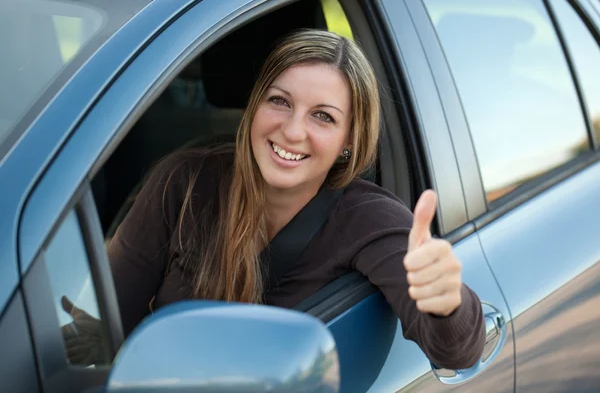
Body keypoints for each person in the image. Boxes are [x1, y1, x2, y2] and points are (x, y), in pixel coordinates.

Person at [64, 29, 486, 370]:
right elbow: (106, 330)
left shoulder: (369, 220)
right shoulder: (184, 182)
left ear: (349, 140)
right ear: (255, 105)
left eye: (323, 116)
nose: (292, 130)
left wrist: (447, 302)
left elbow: (456, 353)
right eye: (280, 101)